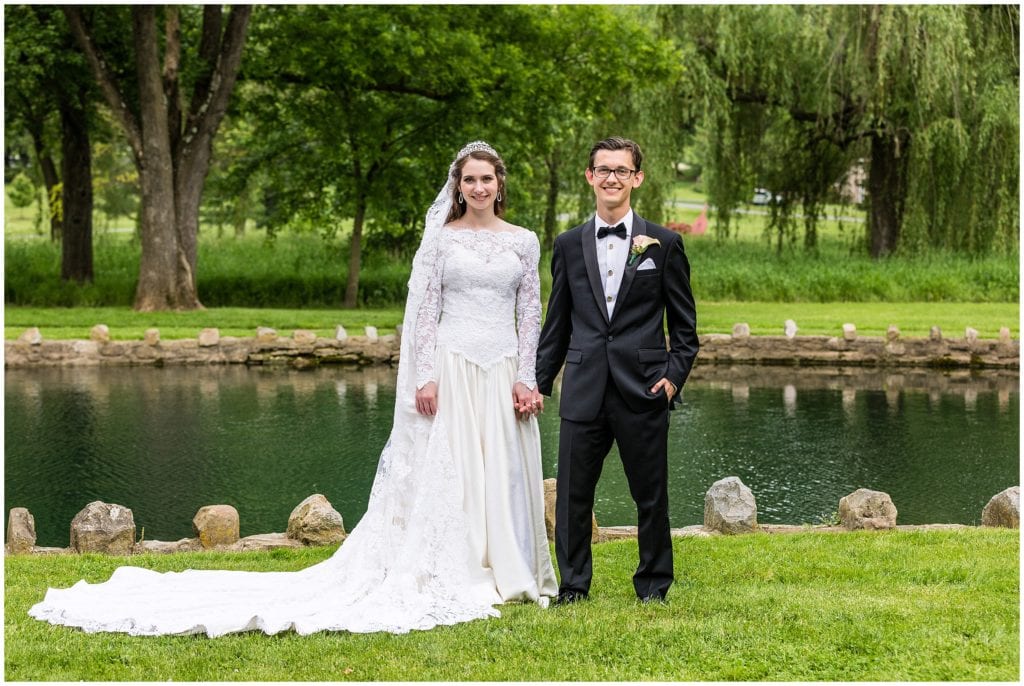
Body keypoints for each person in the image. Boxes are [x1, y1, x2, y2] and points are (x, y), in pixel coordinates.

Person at [28, 141, 557, 636]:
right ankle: (457, 564)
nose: (480, 188)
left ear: (500, 184)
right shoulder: (441, 240)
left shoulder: (524, 241)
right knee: (456, 469)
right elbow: (425, 314)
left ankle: (507, 564)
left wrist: (525, 377)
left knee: (502, 470)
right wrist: (426, 376)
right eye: (470, 179)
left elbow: (531, 312)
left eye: (488, 179)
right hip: (452, 366)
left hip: (502, 368)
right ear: (458, 185)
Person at [534, 136, 698, 605]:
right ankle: (573, 587)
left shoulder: (664, 245)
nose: (611, 178)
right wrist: (539, 385)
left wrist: (672, 380)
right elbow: (557, 323)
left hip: (644, 388)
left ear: (636, 179)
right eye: (603, 170)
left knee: (651, 496)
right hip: (583, 387)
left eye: (621, 171)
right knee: (572, 498)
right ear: (590, 177)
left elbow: (685, 328)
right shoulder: (567, 245)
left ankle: (652, 586)